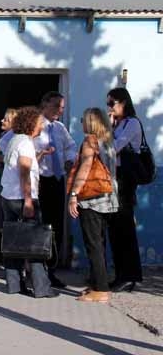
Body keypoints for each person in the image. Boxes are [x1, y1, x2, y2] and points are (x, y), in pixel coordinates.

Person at [0, 106, 57, 298]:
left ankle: (14, 284)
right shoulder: (25, 143)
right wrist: (28, 201)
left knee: (13, 241)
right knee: (34, 244)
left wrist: (39, 156)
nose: (42, 126)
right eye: (40, 123)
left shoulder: (15, 140)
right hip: (21, 198)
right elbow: (24, 172)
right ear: (31, 124)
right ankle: (42, 287)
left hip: (8, 197)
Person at [68, 108, 118, 302]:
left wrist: (74, 194)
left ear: (90, 122)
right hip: (107, 198)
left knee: (93, 244)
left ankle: (101, 290)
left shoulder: (90, 140)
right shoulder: (107, 141)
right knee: (99, 242)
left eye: (83, 119)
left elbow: (85, 168)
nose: (81, 122)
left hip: (92, 198)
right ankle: (97, 284)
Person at [33, 91, 77, 288]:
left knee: (55, 227)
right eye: (56, 106)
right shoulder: (34, 125)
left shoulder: (59, 128)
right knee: (38, 226)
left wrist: (69, 159)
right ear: (45, 104)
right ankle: (35, 271)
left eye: (62, 107)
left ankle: (51, 270)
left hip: (57, 180)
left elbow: (70, 146)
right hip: (39, 181)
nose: (60, 110)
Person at [106, 87, 144, 292]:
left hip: (125, 179)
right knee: (115, 227)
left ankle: (130, 275)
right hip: (114, 177)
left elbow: (113, 149)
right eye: (108, 104)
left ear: (123, 103)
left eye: (112, 103)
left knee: (125, 226)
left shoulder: (132, 123)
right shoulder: (118, 124)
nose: (109, 108)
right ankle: (120, 273)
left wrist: (108, 130)